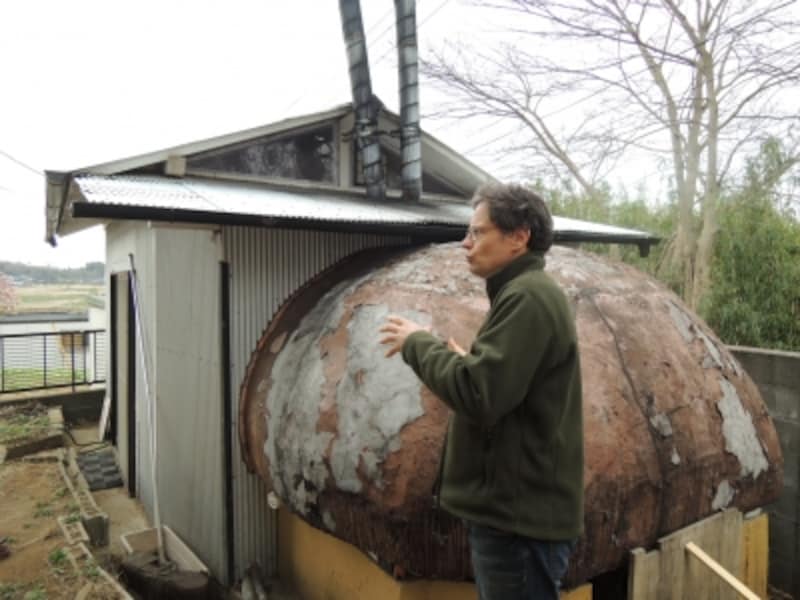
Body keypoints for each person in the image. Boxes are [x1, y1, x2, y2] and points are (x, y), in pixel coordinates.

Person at [379, 183, 584, 600]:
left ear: (519, 235)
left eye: (478, 232)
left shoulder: (528, 298)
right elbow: (503, 386)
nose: (465, 243)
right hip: (515, 518)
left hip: (517, 524)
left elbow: (479, 395)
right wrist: (467, 362)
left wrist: (419, 343)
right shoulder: (523, 294)